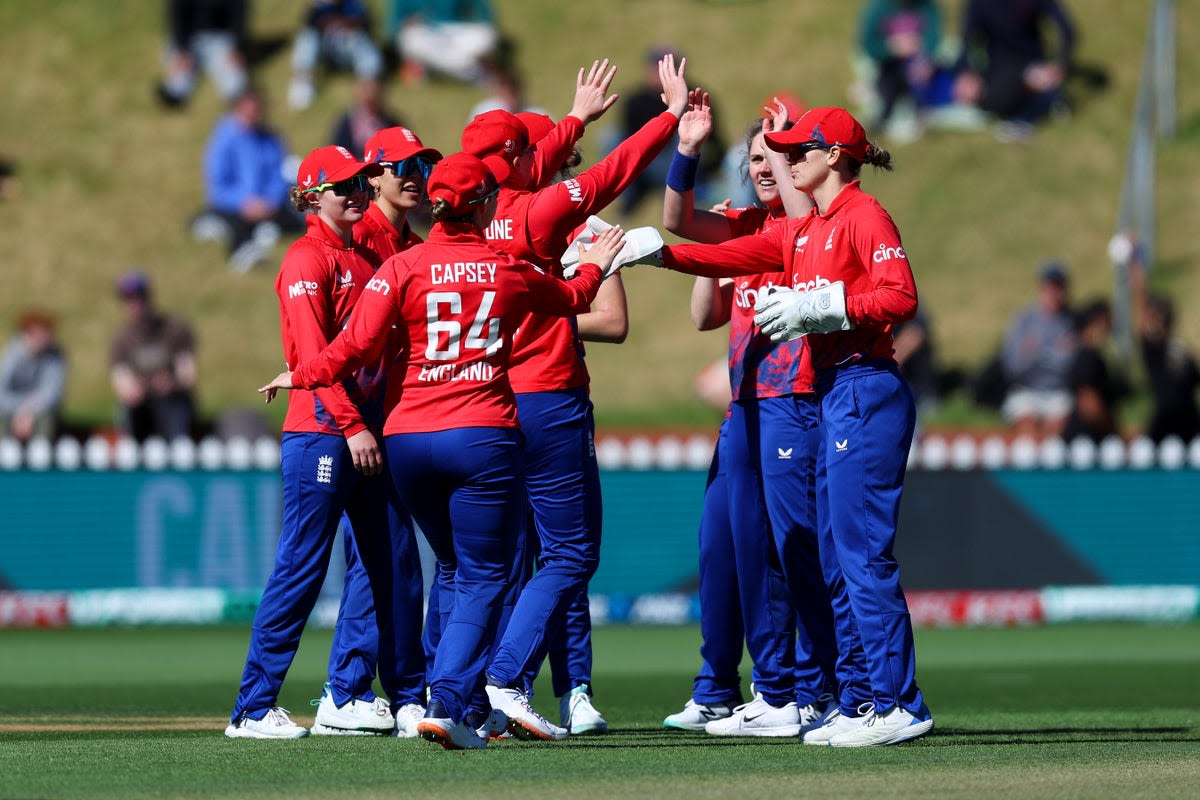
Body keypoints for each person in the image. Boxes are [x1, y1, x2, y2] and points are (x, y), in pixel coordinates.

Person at [257, 152, 624, 750]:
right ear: (482, 205)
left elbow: (350, 347)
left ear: (435, 204)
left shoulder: (400, 267)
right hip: (480, 435)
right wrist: (597, 266)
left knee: (450, 567)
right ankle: (449, 700)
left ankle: (444, 694)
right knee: (486, 573)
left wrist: (302, 374)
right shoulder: (503, 265)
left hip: (406, 443)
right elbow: (570, 298)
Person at [655, 105, 933, 747]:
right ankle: (866, 699)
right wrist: (654, 255)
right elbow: (720, 251)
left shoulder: (864, 215)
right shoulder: (807, 229)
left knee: (859, 555)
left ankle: (898, 702)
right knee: (840, 554)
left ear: (833, 155)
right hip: (839, 390)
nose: (784, 160)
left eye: (796, 150)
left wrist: (826, 305)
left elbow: (901, 296)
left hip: (864, 384)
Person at [457, 54, 686, 739]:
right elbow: (609, 175)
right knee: (570, 556)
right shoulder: (538, 213)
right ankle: (506, 679)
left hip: (487, 402)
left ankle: (470, 691)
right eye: (530, 148)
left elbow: (528, 163)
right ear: (515, 160)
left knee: (489, 563)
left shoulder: (475, 215)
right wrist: (668, 116)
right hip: (548, 396)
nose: (543, 151)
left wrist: (576, 116)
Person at [659, 98, 836, 737]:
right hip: (745, 407)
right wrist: (687, 148)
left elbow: (798, 216)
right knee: (724, 545)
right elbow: (676, 219)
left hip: (796, 401)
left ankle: (799, 689)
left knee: (788, 548)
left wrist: (779, 146)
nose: (765, 168)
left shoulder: (810, 221)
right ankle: (730, 688)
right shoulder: (741, 223)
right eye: (756, 159)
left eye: (777, 157)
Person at [226, 145, 399, 740]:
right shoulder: (305, 260)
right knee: (301, 567)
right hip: (324, 433)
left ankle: (348, 696)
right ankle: (251, 709)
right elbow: (311, 359)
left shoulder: (358, 255)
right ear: (310, 196)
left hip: (359, 432)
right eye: (342, 185)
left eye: (359, 182)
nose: (356, 192)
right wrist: (353, 425)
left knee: (383, 567)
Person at [191, 86, 303, 273]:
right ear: (237, 108)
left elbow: (279, 176)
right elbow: (218, 186)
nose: (253, 115)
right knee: (231, 221)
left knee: (298, 216)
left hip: (268, 205)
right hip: (236, 205)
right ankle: (244, 250)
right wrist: (244, 202)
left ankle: (265, 230)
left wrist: (269, 202)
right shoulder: (223, 139)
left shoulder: (271, 139)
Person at [610, 46, 724, 218]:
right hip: (644, 160)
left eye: (667, 68)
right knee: (609, 137)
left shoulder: (694, 97)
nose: (660, 73)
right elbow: (627, 138)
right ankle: (631, 197)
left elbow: (714, 140)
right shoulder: (635, 100)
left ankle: (682, 193)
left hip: (678, 159)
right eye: (657, 67)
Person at [951, 0, 1077, 142]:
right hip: (999, 72)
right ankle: (1043, 100)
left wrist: (1059, 63)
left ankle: (1040, 99)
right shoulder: (978, 4)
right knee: (988, 98)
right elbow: (966, 42)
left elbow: (1068, 32)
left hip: (1034, 65)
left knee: (1034, 79)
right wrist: (966, 74)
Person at [1120, 237, 1200, 443]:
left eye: (1162, 314)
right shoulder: (1153, 348)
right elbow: (1141, 300)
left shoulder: (1180, 349)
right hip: (1165, 420)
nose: (1158, 319)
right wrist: (1134, 263)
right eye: (1155, 315)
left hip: (1190, 419)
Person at [109, 270, 196, 442]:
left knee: (175, 406)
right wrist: (134, 390)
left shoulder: (173, 330)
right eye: (128, 300)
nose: (134, 304)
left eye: (138, 298)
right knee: (128, 412)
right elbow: (121, 380)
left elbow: (187, 374)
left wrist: (171, 383)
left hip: (172, 400)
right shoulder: (121, 339)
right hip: (141, 406)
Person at [1000, 262, 1076, 439]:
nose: (1054, 294)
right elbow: (1012, 367)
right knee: (1027, 424)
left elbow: (1071, 367)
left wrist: (1038, 353)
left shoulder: (1072, 322)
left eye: (1059, 288)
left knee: (1058, 427)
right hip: (1027, 391)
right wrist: (1041, 354)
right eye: (1050, 288)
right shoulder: (1024, 320)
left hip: (1059, 394)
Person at [858, 0, 945, 132]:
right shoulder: (878, 8)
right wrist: (892, 48)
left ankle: (920, 113)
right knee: (887, 89)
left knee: (919, 83)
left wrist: (926, 58)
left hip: (916, 64)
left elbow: (933, 37)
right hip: (889, 66)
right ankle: (883, 117)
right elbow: (869, 44)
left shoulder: (927, 6)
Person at [287, 1, 384, 111]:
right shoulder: (320, 6)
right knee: (307, 39)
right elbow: (309, 25)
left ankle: (367, 86)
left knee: (364, 44)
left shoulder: (355, 4)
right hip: (326, 48)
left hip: (349, 47)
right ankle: (303, 81)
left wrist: (345, 23)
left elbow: (366, 26)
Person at [155, 0, 248, 109]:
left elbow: (239, 14)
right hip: (189, 39)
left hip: (220, 39)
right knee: (178, 85)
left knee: (235, 85)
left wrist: (237, 46)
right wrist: (182, 49)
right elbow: (175, 16)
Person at [387, 0, 499, 86]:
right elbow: (394, 27)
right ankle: (476, 72)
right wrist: (408, 22)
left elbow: (484, 13)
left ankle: (450, 69)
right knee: (412, 38)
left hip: (456, 32)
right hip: (426, 34)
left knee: (487, 35)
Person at [1062, 299, 1126, 443]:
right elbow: (1090, 405)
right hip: (1085, 440)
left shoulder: (1093, 356)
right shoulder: (1088, 357)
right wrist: (1115, 435)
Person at [0, 309, 65, 442]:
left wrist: (28, 411)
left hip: (38, 410)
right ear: (26, 334)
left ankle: (43, 452)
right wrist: (19, 411)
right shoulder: (12, 355)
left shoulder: (55, 356)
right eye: (39, 334)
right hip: (13, 408)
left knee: (47, 418)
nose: (44, 338)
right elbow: (2, 392)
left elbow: (52, 394)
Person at [330, 78, 405, 158]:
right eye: (365, 89)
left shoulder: (391, 123)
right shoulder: (346, 124)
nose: (369, 94)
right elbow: (335, 156)